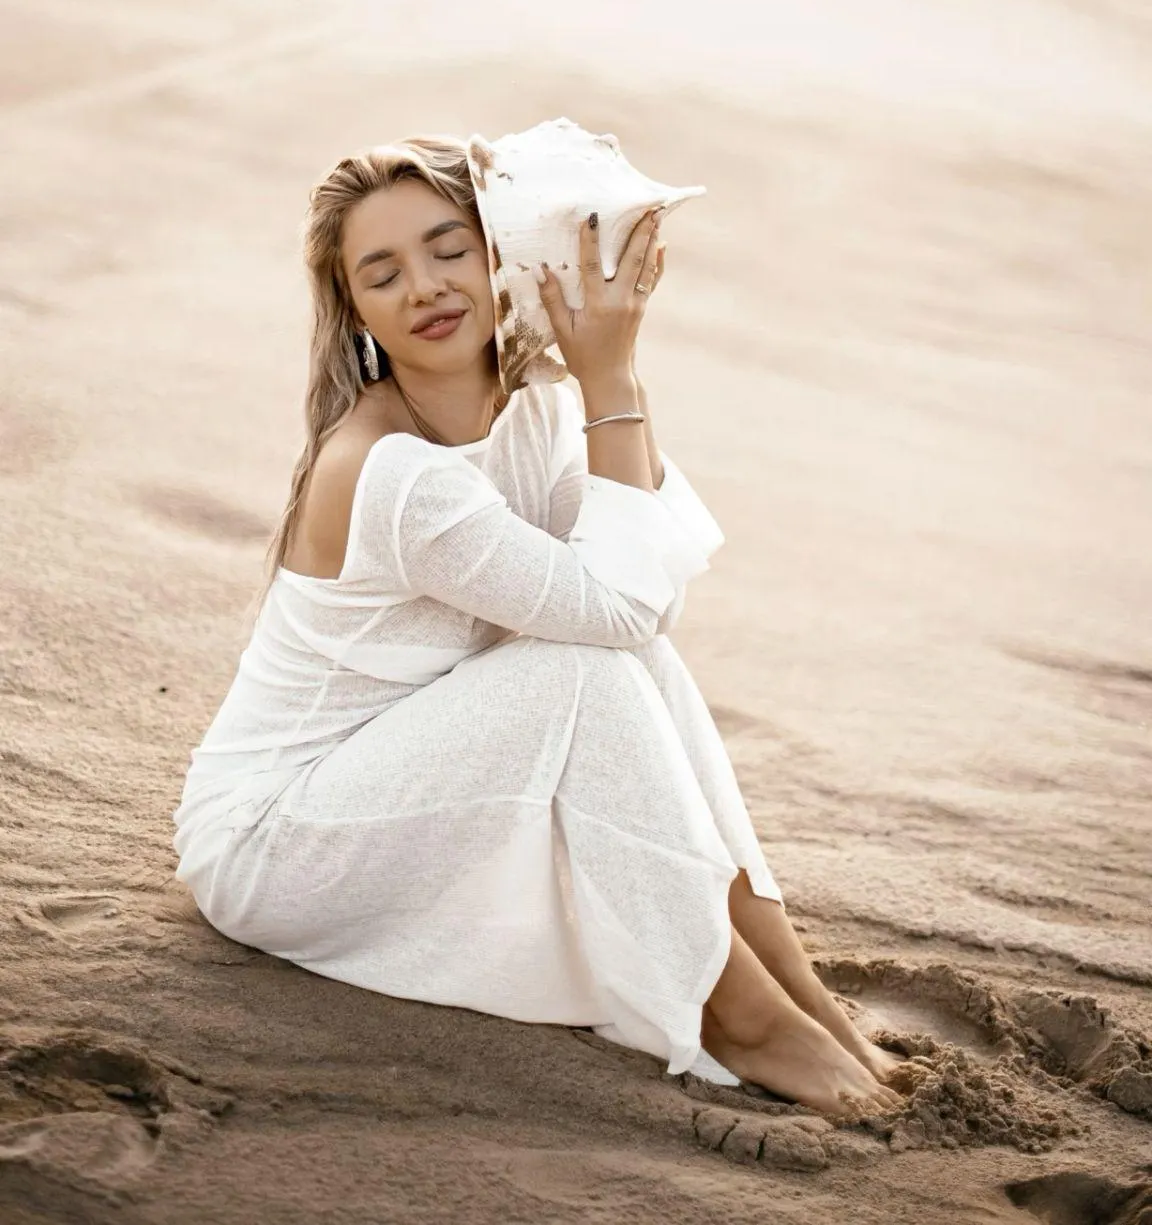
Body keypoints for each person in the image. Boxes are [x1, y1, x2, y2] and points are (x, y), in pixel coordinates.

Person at [172, 134, 898, 1117]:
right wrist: (612, 377)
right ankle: (735, 1014)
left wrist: (605, 383)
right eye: (383, 273)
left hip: (407, 778)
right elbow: (615, 602)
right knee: (581, 665)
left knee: (626, 651)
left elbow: (648, 602)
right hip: (279, 842)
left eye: (447, 249)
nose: (426, 286)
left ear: (495, 251)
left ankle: (791, 987)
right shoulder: (391, 471)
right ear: (356, 310)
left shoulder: (534, 412)